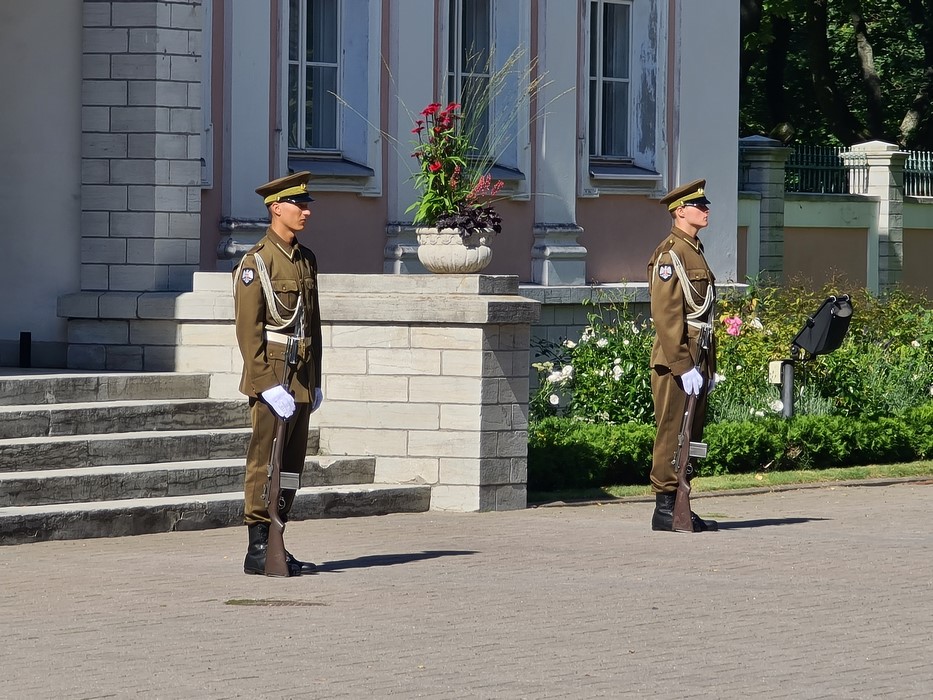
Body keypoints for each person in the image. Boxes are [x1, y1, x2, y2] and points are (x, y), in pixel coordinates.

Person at [233, 170, 324, 575]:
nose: (306, 211)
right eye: (298, 205)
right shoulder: (256, 262)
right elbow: (247, 330)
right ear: (276, 208)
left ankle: (279, 535)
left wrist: (316, 380)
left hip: (301, 378)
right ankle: (257, 546)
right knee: (263, 461)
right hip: (273, 378)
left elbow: (314, 324)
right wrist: (266, 385)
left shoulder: (306, 259)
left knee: (291, 465)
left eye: (307, 204)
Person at [646, 179, 718, 533]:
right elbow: (667, 316)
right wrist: (683, 365)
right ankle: (664, 508)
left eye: (705, 204)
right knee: (673, 431)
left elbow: (706, 318)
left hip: (696, 358)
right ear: (680, 211)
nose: (706, 209)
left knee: (692, 434)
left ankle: (681, 505)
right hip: (677, 361)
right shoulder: (669, 254)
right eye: (698, 205)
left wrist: (709, 366)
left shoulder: (694, 250)